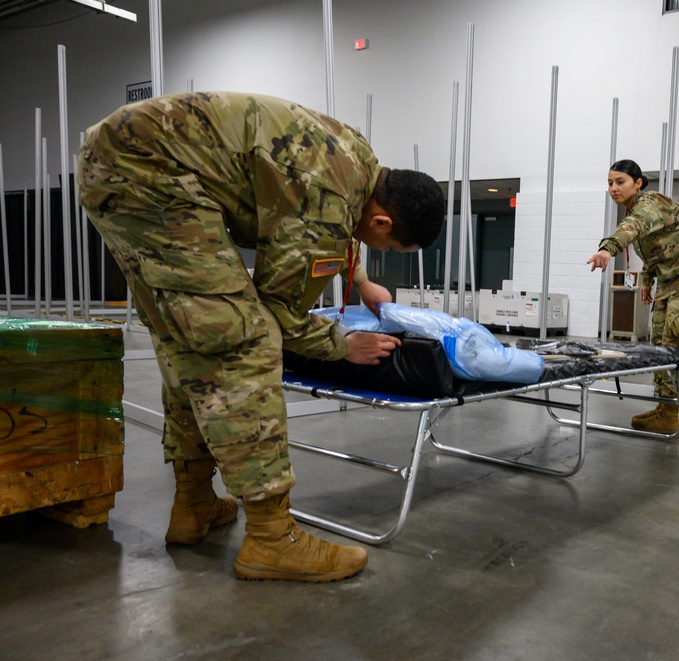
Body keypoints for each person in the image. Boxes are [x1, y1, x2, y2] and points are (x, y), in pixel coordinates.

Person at [77, 91, 445, 582]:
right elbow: (282, 310)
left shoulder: (355, 159)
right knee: (243, 340)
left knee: (189, 340)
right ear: (382, 220)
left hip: (125, 160)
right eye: (389, 244)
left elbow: (321, 227)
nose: (381, 247)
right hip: (150, 173)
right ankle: (272, 538)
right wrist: (342, 345)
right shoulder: (330, 198)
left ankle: (194, 504)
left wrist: (361, 283)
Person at [587, 159, 679, 435]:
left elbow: (635, 226)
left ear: (638, 183)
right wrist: (647, 279)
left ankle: (671, 412)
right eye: (610, 183)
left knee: (678, 340)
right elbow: (656, 250)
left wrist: (607, 250)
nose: (613, 188)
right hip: (670, 281)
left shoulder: (651, 204)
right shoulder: (635, 209)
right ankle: (663, 406)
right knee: (659, 342)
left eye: (620, 182)